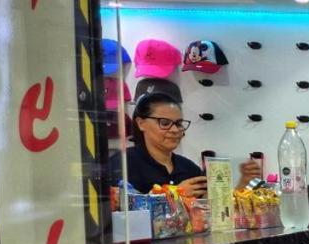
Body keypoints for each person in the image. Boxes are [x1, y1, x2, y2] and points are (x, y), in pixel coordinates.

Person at [110, 78, 261, 194]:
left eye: (179, 123)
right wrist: (176, 194)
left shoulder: (189, 168)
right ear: (141, 123)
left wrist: (244, 183)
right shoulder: (122, 164)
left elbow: (213, 211)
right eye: (164, 123)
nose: (175, 130)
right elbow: (121, 213)